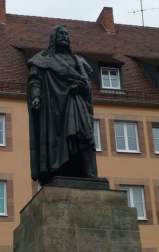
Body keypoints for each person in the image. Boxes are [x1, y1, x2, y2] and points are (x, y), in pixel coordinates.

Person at [27, 25, 97, 185]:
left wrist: (81, 87)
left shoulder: (78, 60)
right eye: (61, 34)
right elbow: (35, 80)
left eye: (66, 34)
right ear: (54, 38)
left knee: (85, 135)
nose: (64, 37)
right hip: (54, 107)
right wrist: (36, 97)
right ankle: (59, 170)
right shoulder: (43, 59)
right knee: (58, 139)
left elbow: (86, 82)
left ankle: (88, 173)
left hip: (76, 101)